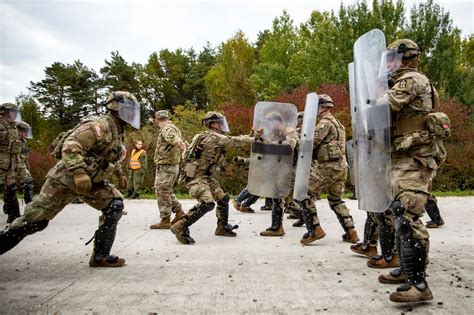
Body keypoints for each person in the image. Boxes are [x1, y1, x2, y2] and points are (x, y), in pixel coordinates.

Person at [0, 91, 139, 268]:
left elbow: (107, 155)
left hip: (91, 182)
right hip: (65, 180)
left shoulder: (116, 130)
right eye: (130, 110)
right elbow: (71, 145)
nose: (133, 114)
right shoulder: (98, 125)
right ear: (117, 108)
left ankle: (100, 257)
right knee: (34, 221)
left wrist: (118, 173)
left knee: (114, 205)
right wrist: (79, 173)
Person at [377, 39, 449, 302]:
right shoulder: (401, 81)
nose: (388, 64)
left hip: (416, 157)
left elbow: (383, 107)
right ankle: (406, 271)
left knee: (406, 213)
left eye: (391, 59)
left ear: (404, 58)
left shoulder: (412, 80)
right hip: (404, 156)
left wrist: (370, 96)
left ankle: (418, 286)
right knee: (398, 211)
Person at [170, 111, 258, 244]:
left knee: (223, 198)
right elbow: (235, 141)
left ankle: (222, 227)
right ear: (212, 124)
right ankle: (180, 226)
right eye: (220, 122)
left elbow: (185, 155)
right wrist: (254, 138)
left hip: (204, 176)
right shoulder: (214, 138)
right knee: (207, 203)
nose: (223, 125)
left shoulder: (201, 136)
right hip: (196, 177)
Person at [296, 94, 359, 245]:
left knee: (303, 194)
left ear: (323, 107)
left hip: (329, 167)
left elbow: (311, 143)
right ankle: (351, 231)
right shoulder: (338, 123)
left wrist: (297, 140)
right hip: (341, 167)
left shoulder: (324, 123)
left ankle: (315, 229)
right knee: (335, 200)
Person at [259, 111, 299, 237]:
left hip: (292, 169)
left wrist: (272, 144)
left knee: (281, 197)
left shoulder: (290, 132)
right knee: (285, 200)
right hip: (282, 169)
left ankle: (277, 227)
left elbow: (289, 147)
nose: (269, 126)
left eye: (270, 122)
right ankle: (302, 218)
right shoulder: (276, 134)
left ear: (277, 121)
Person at [149, 110, 186, 230]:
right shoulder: (172, 127)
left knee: (161, 190)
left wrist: (180, 144)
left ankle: (165, 220)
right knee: (166, 190)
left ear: (157, 120)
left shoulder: (167, 128)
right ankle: (179, 212)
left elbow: (172, 138)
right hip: (170, 165)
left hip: (167, 166)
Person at [0, 103, 22, 224]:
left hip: (9, 164)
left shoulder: (13, 126)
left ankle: (14, 216)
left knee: (11, 190)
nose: (15, 115)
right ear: (6, 113)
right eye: (13, 112)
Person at [15, 121, 34, 205]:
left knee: (28, 184)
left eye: (27, 131)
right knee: (9, 188)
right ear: (19, 131)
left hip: (22, 166)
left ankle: (30, 206)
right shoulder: (14, 140)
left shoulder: (24, 141)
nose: (26, 133)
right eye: (25, 131)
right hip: (13, 166)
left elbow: (25, 156)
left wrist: (27, 167)